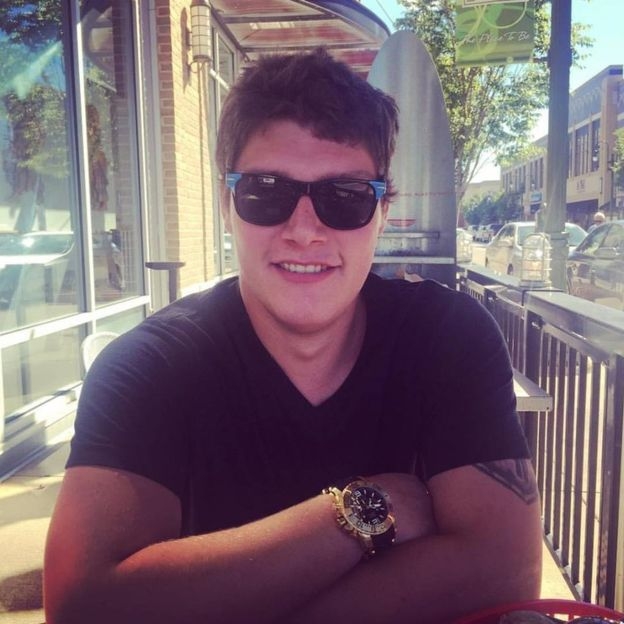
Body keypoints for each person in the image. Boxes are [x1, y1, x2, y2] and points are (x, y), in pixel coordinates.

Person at [44, 48, 542, 624]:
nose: (304, 231)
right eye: (267, 191)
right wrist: (359, 511)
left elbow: (505, 571)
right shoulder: (148, 368)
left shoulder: (448, 337)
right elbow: (84, 607)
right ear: (227, 204)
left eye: (345, 197)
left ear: (382, 213)